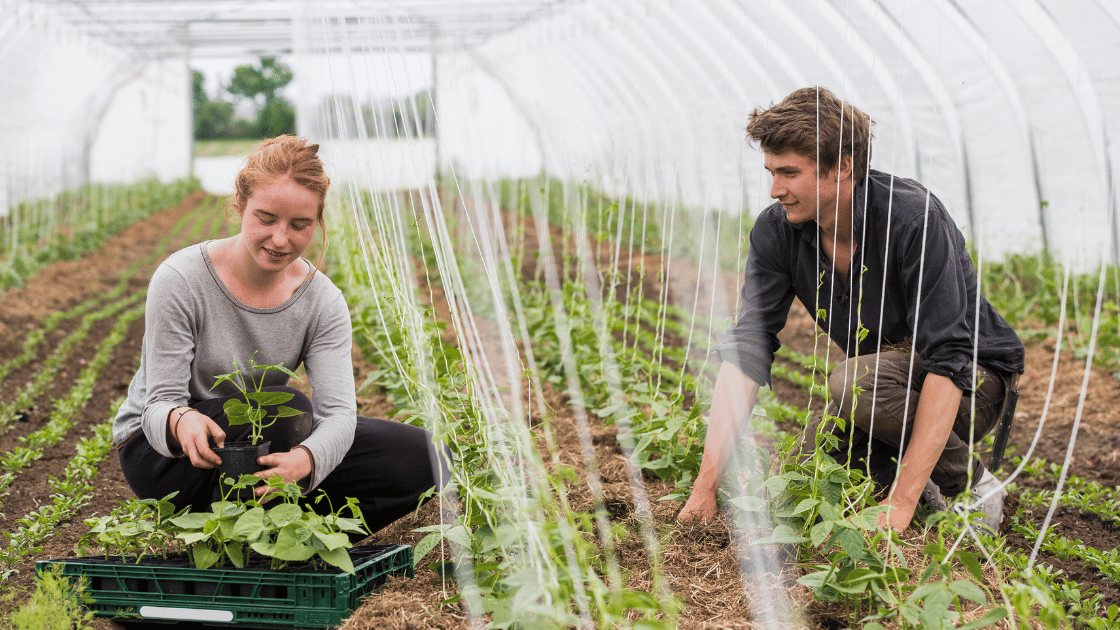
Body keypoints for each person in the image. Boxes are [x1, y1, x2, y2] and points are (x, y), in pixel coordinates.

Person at [678, 87, 1024, 531]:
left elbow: (949, 359)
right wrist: (704, 487)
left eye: (788, 173)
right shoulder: (777, 232)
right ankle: (915, 474)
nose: (774, 190)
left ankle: (972, 486)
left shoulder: (913, 221)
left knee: (855, 385)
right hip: (884, 380)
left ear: (842, 166)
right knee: (808, 476)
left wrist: (898, 506)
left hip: (973, 381)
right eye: (770, 171)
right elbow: (749, 345)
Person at [113, 135, 449, 533]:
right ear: (239, 206)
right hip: (170, 458)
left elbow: (339, 414)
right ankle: (235, 534)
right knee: (283, 409)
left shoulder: (322, 301)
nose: (280, 239)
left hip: (265, 439)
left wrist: (306, 459)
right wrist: (181, 418)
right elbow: (158, 406)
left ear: (318, 222)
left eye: (300, 224)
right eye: (266, 218)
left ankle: (292, 533)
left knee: (426, 456)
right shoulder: (181, 279)